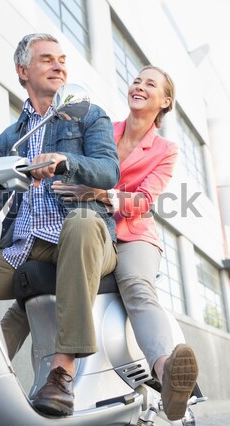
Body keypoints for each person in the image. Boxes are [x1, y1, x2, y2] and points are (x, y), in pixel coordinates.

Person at [52, 65, 199, 421]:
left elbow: (145, 199)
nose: (139, 85)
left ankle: (167, 376)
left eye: (151, 83)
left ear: (165, 101)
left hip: (134, 234)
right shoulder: (103, 128)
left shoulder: (165, 150)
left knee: (136, 285)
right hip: (89, 227)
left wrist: (101, 193)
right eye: (136, 79)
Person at [0, 33, 120, 417]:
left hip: (83, 237)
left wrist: (64, 160)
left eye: (62, 59)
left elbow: (108, 170)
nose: (58, 64)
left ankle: (61, 372)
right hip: (25, 245)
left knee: (80, 222)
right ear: (22, 71)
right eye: (46, 59)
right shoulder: (8, 139)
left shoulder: (88, 115)